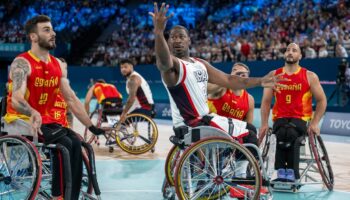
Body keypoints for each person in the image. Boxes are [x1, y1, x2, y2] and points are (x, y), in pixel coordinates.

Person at [148, 3, 285, 177]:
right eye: (173, 37)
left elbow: (229, 80)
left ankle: (232, 171)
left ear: (189, 40)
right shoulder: (173, 68)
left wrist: (260, 81)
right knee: (250, 135)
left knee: (250, 129)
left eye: (181, 36)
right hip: (192, 124)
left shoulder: (200, 64)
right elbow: (163, 62)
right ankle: (240, 176)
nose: (177, 40)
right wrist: (159, 33)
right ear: (168, 42)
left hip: (205, 120)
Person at [4, 15, 104, 200]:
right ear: (33, 37)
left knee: (76, 142)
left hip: (48, 121)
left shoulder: (57, 64)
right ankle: (59, 195)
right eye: (47, 30)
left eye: (52, 29)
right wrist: (32, 111)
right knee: (63, 146)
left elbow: (72, 99)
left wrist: (93, 127)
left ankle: (70, 196)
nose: (54, 33)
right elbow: (17, 99)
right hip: (21, 119)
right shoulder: (22, 62)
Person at [259, 43, 327, 181]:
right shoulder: (273, 75)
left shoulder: (309, 76)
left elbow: (322, 100)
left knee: (289, 132)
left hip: (300, 119)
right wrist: (264, 124)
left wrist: (314, 123)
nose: (290, 52)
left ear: (300, 56)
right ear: (284, 54)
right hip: (280, 119)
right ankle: (281, 171)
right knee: (280, 133)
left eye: (294, 50)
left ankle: (291, 172)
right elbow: (266, 101)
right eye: (288, 50)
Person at [117, 58, 155, 126]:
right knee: (121, 113)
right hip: (148, 108)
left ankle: (120, 130)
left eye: (125, 67)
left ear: (131, 67)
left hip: (145, 109)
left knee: (120, 122)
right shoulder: (132, 77)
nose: (123, 69)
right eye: (121, 67)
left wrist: (124, 113)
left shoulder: (133, 79)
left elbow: (131, 99)